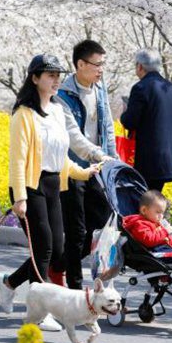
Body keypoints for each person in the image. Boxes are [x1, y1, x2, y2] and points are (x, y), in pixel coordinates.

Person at [0, 54, 100, 332]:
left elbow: (58, 153)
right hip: (31, 187)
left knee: (56, 250)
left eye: (57, 75)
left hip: (54, 185)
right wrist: (20, 197)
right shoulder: (23, 115)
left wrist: (83, 172)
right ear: (35, 78)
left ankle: (9, 283)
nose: (56, 80)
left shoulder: (56, 110)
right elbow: (18, 159)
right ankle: (39, 312)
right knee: (43, 247)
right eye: (50, 75)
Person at [53, 39, 117, 289]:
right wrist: (99, 155)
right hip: (73, 169)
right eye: (97, 64)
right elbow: (73, 137)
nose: (101, 69)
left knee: (102, 227)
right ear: (80, 64)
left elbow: (108, 127)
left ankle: (57, 266)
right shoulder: (63, 95)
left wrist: (112, 163)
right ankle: (75, 289)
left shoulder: (100, 89)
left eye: (103, 64)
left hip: (98, 169)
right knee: (77, 232)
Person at [120, 49, 172, 192]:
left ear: (140, 66)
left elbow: (129, 122)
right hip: (167, 161)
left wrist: (125, 112)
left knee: (143, 204)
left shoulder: (140, 88)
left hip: (145, 161)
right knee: (155, 201)